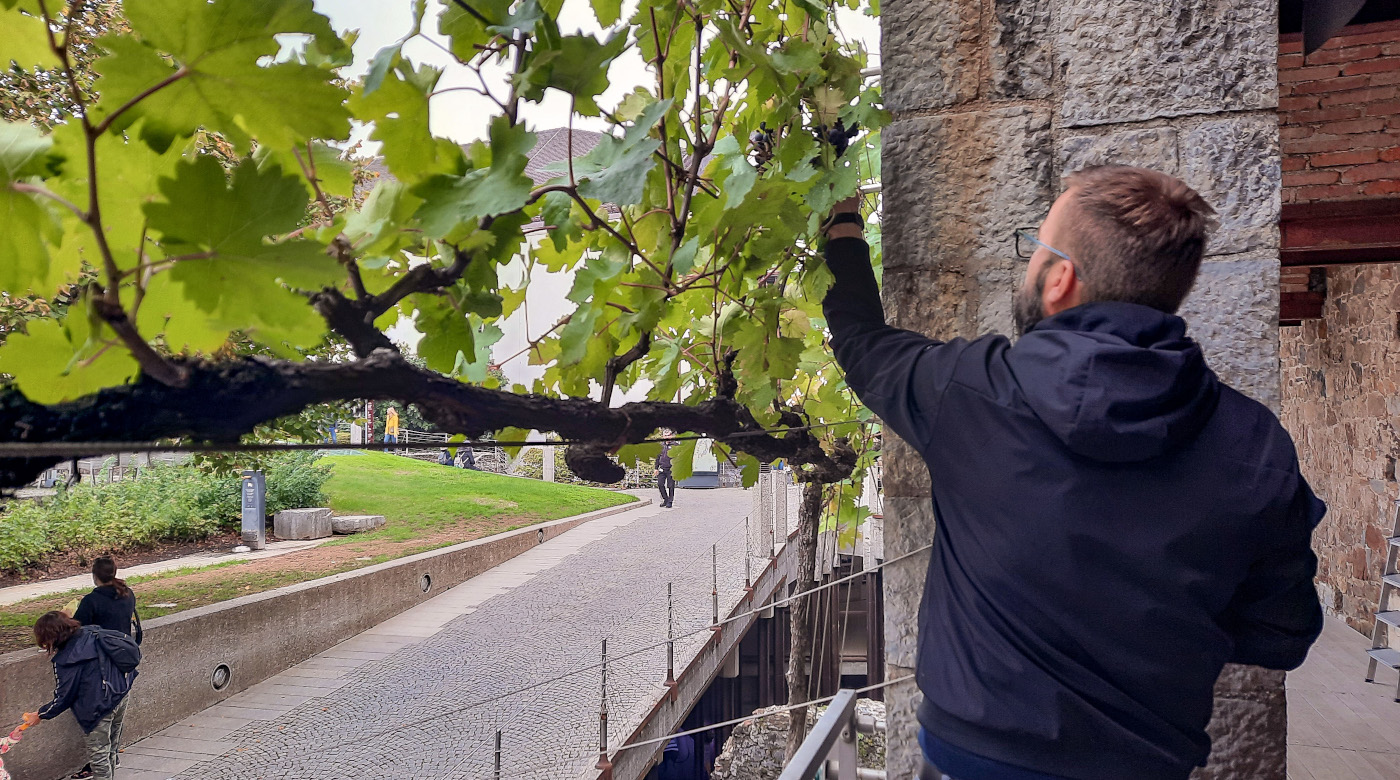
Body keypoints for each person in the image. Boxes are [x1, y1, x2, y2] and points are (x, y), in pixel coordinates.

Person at [820, 165, 1324, 780]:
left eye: (1036, 245)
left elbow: (860, 340)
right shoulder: (1256, 445)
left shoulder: (968, 394)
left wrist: (843, 225)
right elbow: (1281, 635)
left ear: (1060, 280)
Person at [23, 612, 138, 780]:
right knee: (111, 749)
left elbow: (63, 697)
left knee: (99, 758)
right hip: (119, 694)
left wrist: (40, 714)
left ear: (51, 637)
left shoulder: (66, 660)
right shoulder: (92, 633)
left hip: (97, 707)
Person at [74, 557, 141, 643]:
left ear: (95, 576)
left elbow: (77, 627)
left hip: (101, 649)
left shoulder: (91, 601)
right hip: (125, 646)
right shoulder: (128, 593)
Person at [656, 439, 675, 508]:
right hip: (662, 468)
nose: (667, 437)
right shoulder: (661, 446)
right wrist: (656, 468)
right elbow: (657, 458)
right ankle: (665, 499)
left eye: (668, 435)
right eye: (665, 436)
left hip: (671, 469)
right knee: (660, 484)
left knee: (670, 485)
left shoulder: (675, 445)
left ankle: (670, 501)